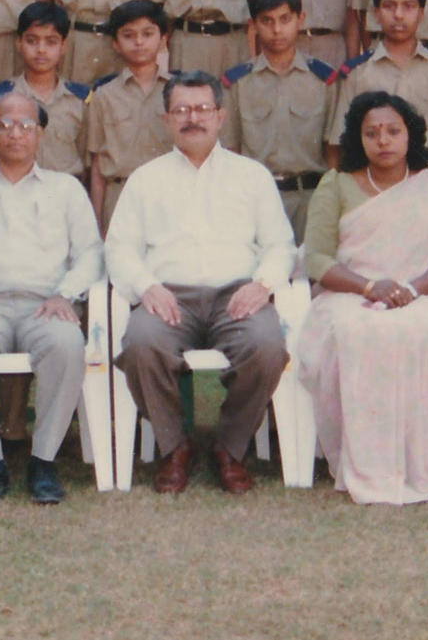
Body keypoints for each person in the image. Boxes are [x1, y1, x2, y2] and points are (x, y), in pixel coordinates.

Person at [107, 73, 296, 493]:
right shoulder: (145, 179)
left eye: (202, 109)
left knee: (266, 346)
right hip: (169, 297)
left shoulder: (251, 176)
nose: (192, 118)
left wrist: (262, 285)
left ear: (220, 116)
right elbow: (119, 249)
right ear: (165, 119)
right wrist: (146, 287)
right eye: (181, 110)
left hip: (237, 295)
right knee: (141, 344)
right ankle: (175, 446)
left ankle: (229, 447)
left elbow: (280, 245)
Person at [295, 92, 428, 505]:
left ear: (411, 135)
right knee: (356, 330)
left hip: (420, 293)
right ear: (358, 139)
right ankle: (365, 467)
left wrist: (413, 288)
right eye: (371, 133)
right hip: (348, 291)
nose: (383, 140)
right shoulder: (336, 184)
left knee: (420, 331)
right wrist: (368, 287)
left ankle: (416, 465)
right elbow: (317, 257)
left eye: (393, 131)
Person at [0, 90, 103, 506]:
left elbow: (90, 254)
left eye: (26, 125)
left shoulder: (66, 189)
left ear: (40, 133)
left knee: (67, 344)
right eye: (5, 125)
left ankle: (43, 461)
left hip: (46, 305)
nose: (16, 133)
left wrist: (65, 294)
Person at [222, 0, 337, 239]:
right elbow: (231, 150)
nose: (277, 30)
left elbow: (332, 152)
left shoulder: (324, 80)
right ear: (252, 25)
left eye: (285, 19)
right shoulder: (238, 83)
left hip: (310, 199)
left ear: (300, 20)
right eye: (267, 21)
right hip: (255, 201)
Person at [327, 0, 428, 178]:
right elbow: (339, 143)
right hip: (372, 181)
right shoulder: (358, 73)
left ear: (421, 13)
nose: (398, 14)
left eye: (408, 6)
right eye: (389, 6)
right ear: (376, 14)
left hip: (427, 179)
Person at [85, 0, 174, 231]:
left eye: (147, 34)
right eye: (128, 35)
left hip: (170, 194)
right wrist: (96, 223)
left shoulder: (179, 91)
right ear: (115, 44)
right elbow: (97, 164)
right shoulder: (104, 95)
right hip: (119, 196)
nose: (139, 42)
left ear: (163, 39)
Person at [0, 2, 92, 179]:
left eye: (51, 42)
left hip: (64, 190)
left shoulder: (80, 100)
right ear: (19, 43)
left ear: (63, 46)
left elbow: (88, 159)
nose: (41, 50)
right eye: (32, 41)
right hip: (13, 188)